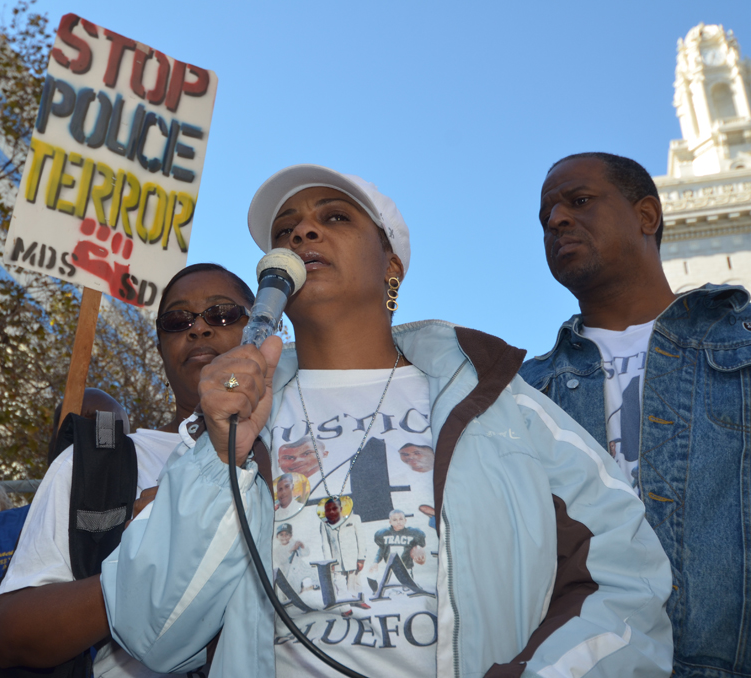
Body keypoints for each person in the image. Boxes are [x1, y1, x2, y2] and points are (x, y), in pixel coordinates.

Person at [101, 164, 673, 677]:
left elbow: (627, 578)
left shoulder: (496, 402)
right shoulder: (229, 420)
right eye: (285, 230)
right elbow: (149, 631)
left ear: (391, 267)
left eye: (334, 217)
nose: (301, 233)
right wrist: (219, 457)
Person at [520, 151, 751, 678]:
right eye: (546, 217)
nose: (556, 220)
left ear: (647, 216)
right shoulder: (522, 393)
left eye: (579, 201)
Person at [0, 263, 255, 677]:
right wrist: (146, 557)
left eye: (222, 313)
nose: (198, 329)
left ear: (264, 330)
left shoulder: (307, 450)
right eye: (177, 320)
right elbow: (9, 634)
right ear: (160, 346)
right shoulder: (96, 464)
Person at [0, 389, 132, 616]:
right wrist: (10, 580)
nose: (92, 453)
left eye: (109, 440)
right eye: (77, 433)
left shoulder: (130, 537)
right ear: (54, 443)